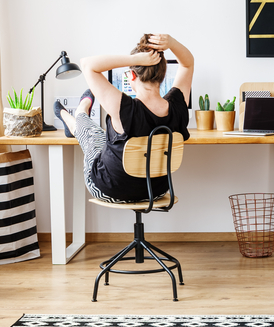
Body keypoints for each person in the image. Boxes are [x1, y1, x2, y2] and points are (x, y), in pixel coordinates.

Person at [54, 34, 194, 203]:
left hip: (109, 190)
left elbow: (87, 65)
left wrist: (133, 59)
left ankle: (79, 114)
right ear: (163, 75)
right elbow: (188, 64)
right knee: (101, 137)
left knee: (93, 136)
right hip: (156, 192)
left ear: (132, 76)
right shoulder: (178, 107)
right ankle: (77, 120)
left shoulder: (124, 108)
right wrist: (171, 43)